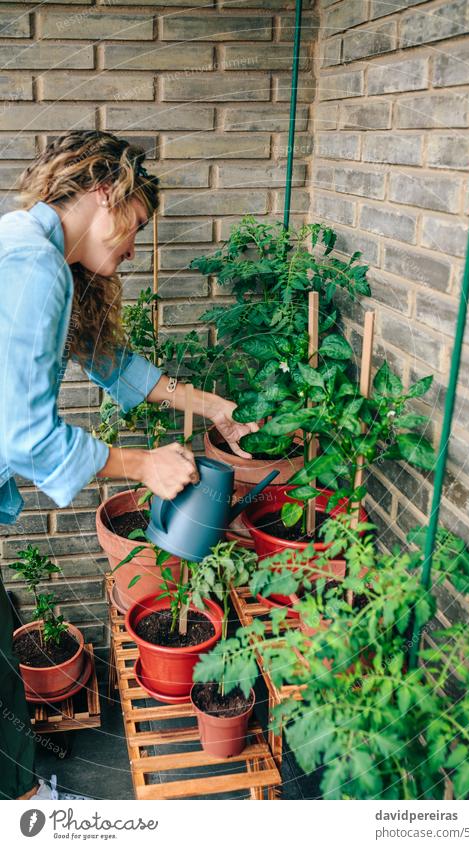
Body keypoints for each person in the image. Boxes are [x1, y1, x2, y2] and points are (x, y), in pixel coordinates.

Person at [0, 131, 259, 799]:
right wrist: (143, 464)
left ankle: (22, 797)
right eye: (136, 224)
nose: (135, 246)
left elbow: (113, 362)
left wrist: (210, 408)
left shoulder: (35, 251)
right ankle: (27, 807)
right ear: (103, 191)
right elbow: (25, 437)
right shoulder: (35, 269)